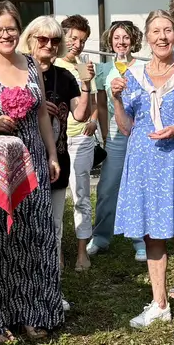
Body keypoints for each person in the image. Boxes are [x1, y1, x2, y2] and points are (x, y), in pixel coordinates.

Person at [0, 1, 64, 343]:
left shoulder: (32, 64)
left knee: (35, 236)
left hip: (33, 158)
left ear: (19, 30)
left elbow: (42, 116)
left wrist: (52, 154)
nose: (5, 35)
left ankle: (34, 313)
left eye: (11, 28)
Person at [112, 10, 174, 341]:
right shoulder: (133, 74)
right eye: (156, 31)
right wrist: (116, 99)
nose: (162, 36)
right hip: (143, 160)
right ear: (147, 37)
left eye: (167, 30)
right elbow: (126, 127)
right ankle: (159, 302)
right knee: (152, 234)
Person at [21, 15, 91, 277]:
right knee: (27, 222)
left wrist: (86, 85)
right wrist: (37, 108)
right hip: (25, 159)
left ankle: (52, 275)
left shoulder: (64, 76)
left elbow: (80, 115)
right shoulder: (18, 72)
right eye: (43, 39)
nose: (49, 45)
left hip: (57, 159)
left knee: (55, 221)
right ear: (30, 39)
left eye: (54, 40)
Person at [89, 20, 143, 260]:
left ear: (133, 40)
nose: (121, 42)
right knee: (108, 187)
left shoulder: (143, 67)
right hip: (114, 131)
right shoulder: (103, 69)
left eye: (126, 38)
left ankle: (141, 240)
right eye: (116, 38)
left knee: (138, 186)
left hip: (139, 129)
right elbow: (101, 105)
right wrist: (104, 135)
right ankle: (101, 237)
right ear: (110, 42)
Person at [57, 15, 100, 270]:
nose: (77, 44)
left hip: (81, 138)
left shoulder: (84, 66)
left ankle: (82, 251)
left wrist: (93, 120)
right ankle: (58, 251)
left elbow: (92, 101)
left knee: (81, 195)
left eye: (82, 40)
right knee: (57, 198)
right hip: (57, 139)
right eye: (73, 38)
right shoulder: (51, 63)